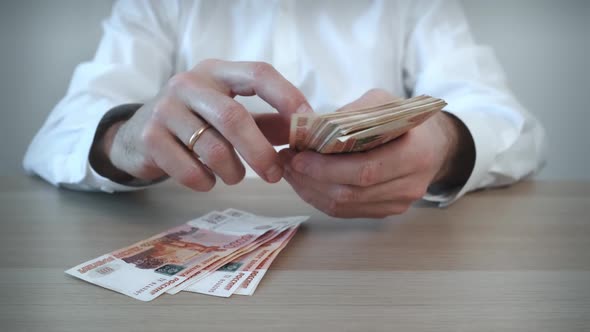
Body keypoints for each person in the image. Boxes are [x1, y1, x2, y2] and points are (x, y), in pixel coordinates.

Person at [23, 0, 546, 218]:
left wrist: (446, 143)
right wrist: (128, 137)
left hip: (373, 277)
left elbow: (514, 127)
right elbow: (57, 135)